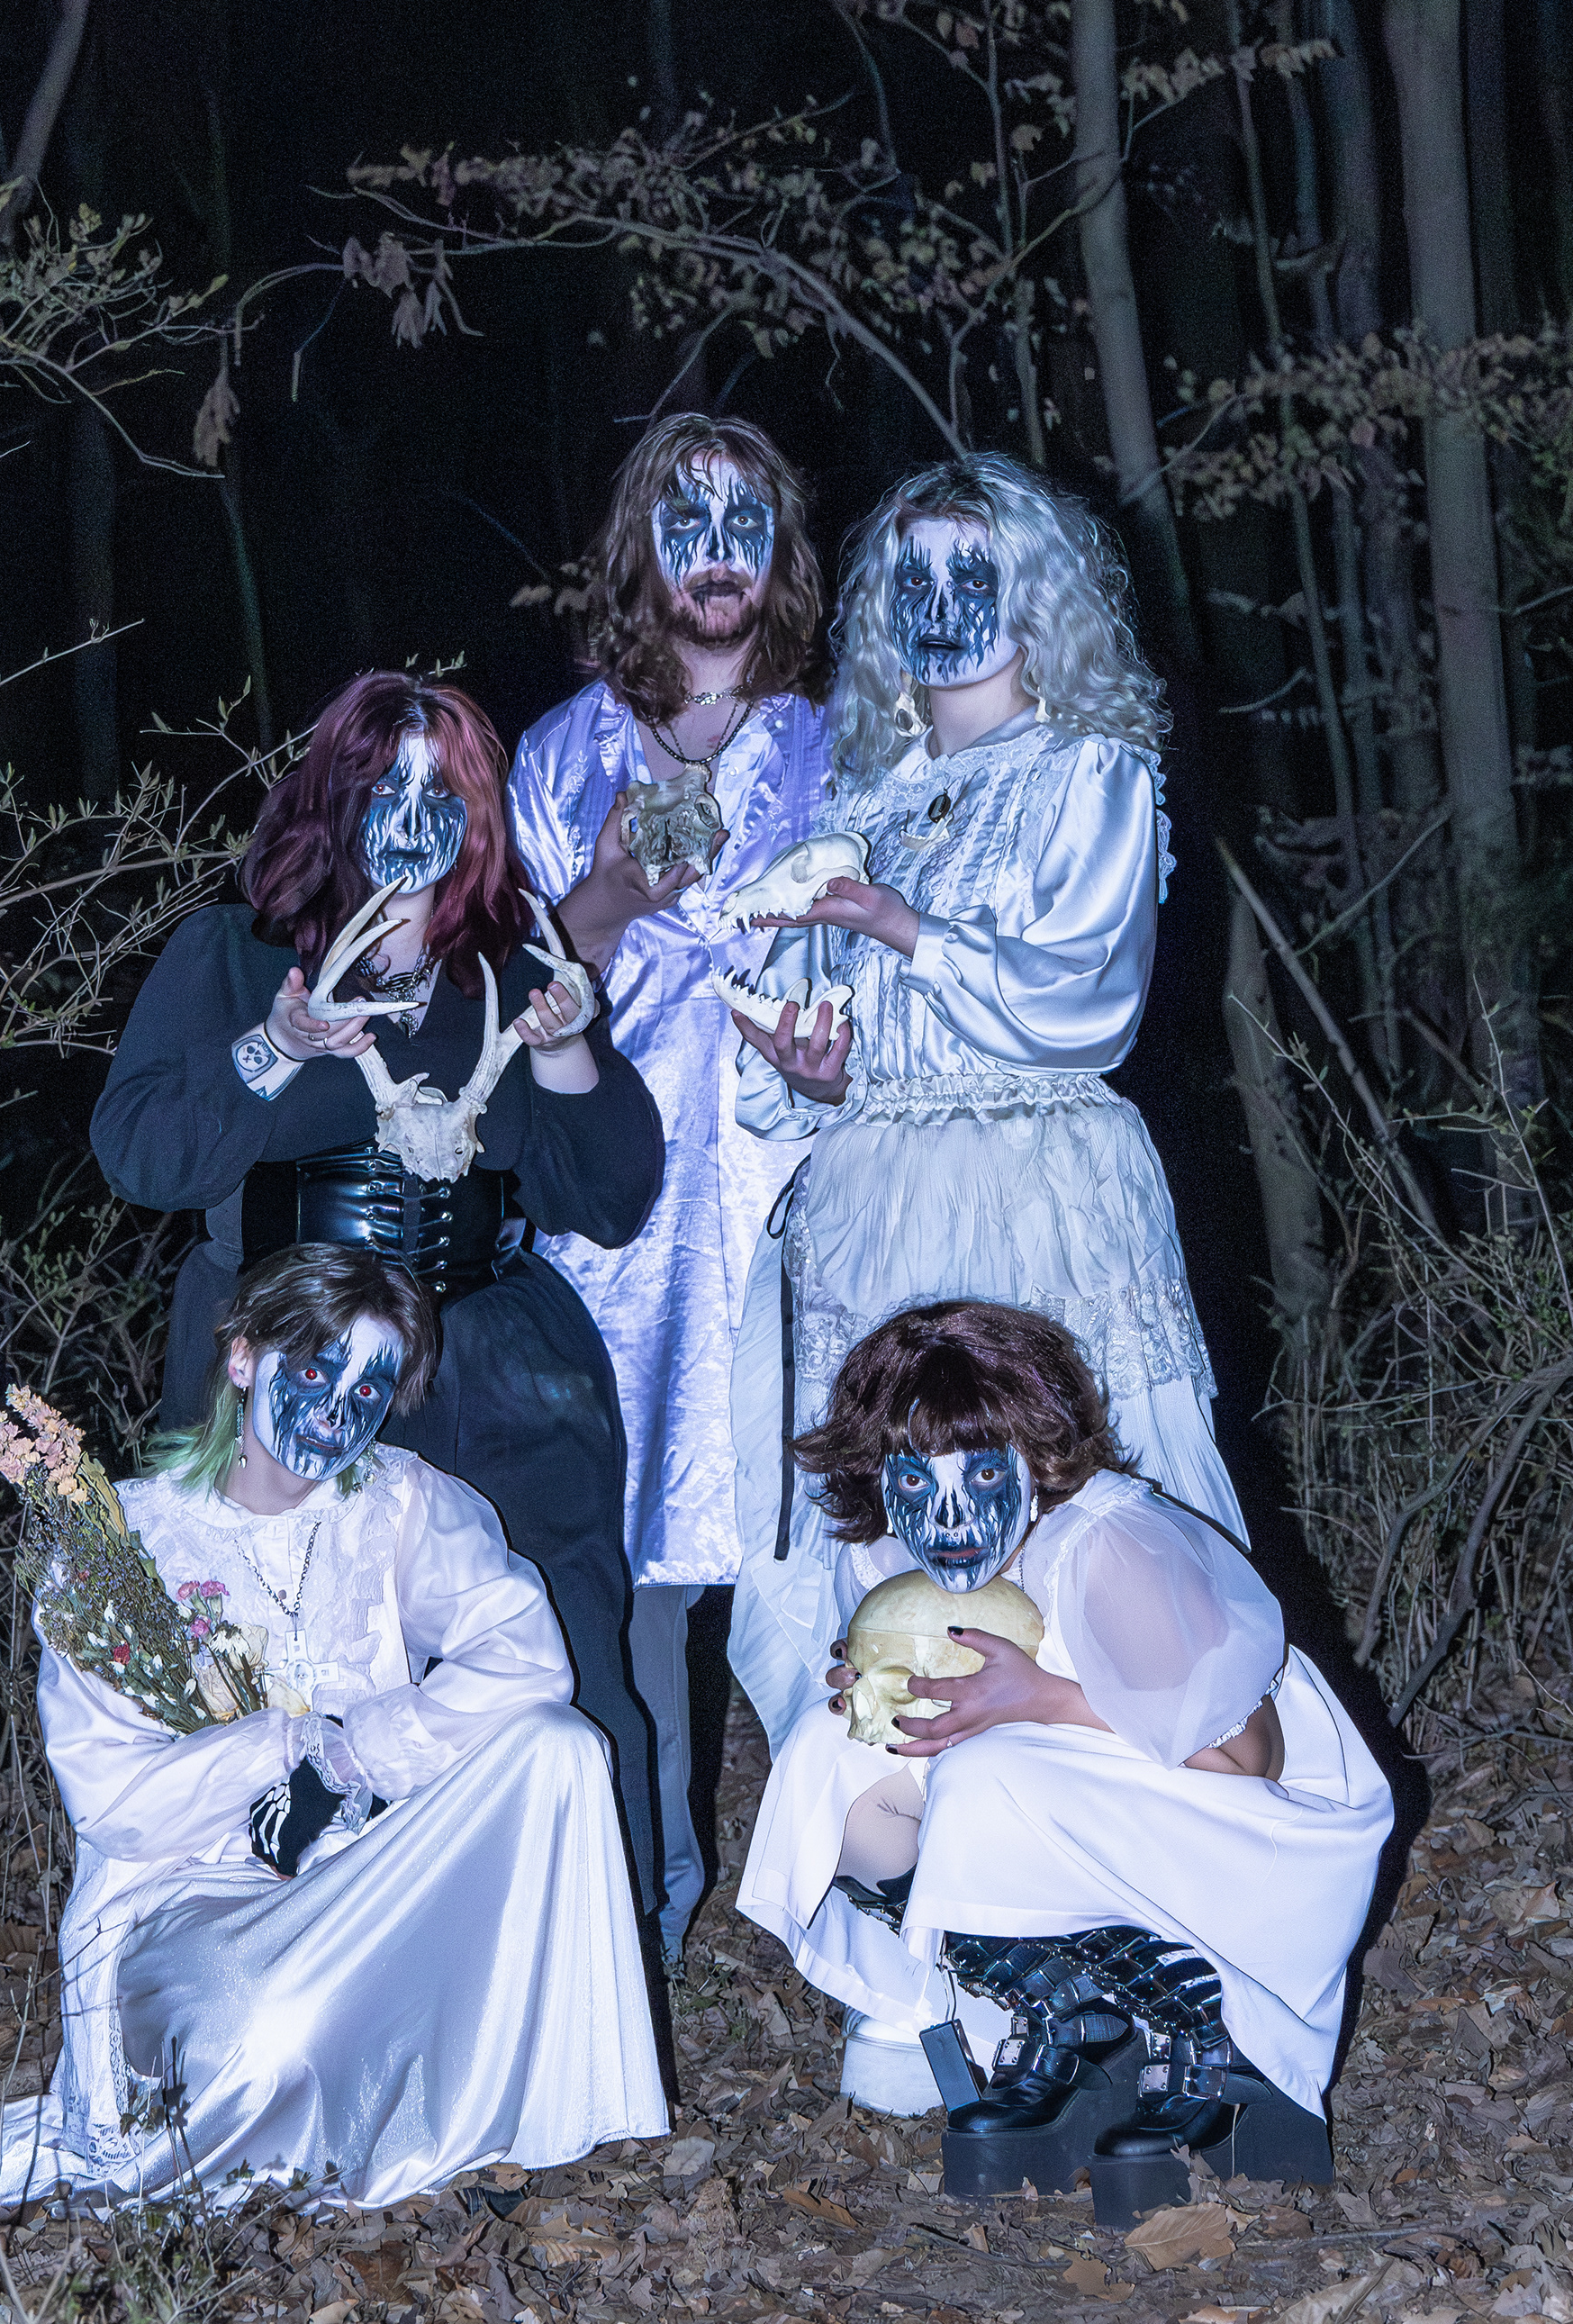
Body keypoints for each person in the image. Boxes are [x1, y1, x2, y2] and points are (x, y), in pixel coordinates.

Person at [90, 672, 664, 1915]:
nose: (410, 818)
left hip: (495, 1366)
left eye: (440, 792)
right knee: (258, 1664)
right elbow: (140, 1156)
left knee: (559, 1647)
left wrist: (569, 1047)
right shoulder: (237, 957)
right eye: (381, 786)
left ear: (478, 815)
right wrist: (279, 1047)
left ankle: (601, 1945)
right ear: (331, 798)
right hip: (284, 1366)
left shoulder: (512, 974)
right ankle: (265, 1947)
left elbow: (610, 1198)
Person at [0, 1246, 668, 2208]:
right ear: (243, 1356)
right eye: (316, 1370)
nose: (336, 1411)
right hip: (189, 1902)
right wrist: (278, 1750)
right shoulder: (124, 1546)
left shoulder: (400, 1501)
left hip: (374, 1876)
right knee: (267, 2038)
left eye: (368, 1388)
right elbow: (114, 1805)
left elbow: (527, 1661)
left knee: (559, 1746)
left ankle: (548, 2102)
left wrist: (356, 1753)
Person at [724, 450, 1246, 1752]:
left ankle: (1123, 1794)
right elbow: (800, 1048)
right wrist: (808, 1074)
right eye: (914, 581)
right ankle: (919, 1821)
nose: (942, 608)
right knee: (898, 1516)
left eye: (976, 578)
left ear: (1037, 600)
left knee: (1071, 1494)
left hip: (1037, 1182)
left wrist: (906, 929)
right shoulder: (860, 801)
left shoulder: (1090, 770)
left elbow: (1090, 1003)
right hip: (870, 1197)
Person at [738, 1298, 1391, 2150]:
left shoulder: (1109, 1543)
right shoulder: (889, 1557)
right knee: (830, 1750)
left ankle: (1209, 2028)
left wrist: (1042, 1697)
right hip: (1078, 1817)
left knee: (985, 1771)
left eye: (982, 1475)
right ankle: (1066, 2007)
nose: (947, 1518)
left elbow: (1251, 1759)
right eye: (914, 1481)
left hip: (1254, 1843)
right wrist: (882, 1692)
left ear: (1034, 1456)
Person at [507, 410, 833, 1950]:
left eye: (743, 524)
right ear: (639, 548)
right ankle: (636, 1908)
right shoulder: (557, 755)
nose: (714, 555)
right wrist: (609, 897)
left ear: (781, 555)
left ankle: (887, 1908)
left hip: (795, 1206)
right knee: (617, 1555)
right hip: (610, 1227)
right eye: (683, 524)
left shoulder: (840, 746)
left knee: (826, 1545)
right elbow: (496, 989)